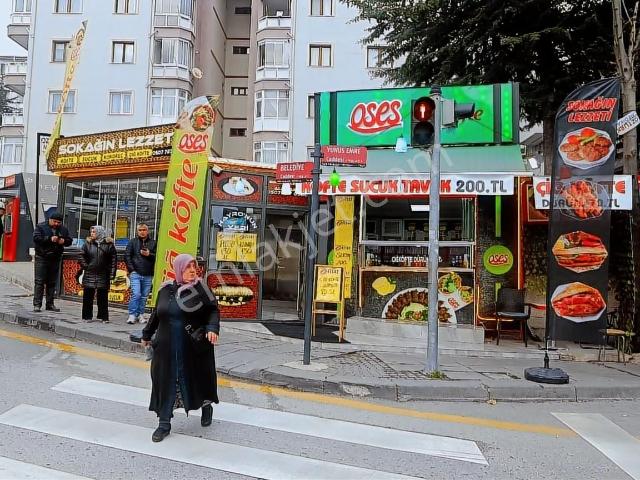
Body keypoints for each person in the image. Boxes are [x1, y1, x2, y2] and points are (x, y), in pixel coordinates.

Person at [141, 254, 220, 443]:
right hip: (165, 347)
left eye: (194, 267)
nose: (193, 270)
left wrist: (212, 328)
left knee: (198, 379)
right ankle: (164, 423)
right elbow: (157, 314)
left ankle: (206, 406)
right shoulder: (165, 289)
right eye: (188, 267)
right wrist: (147, 334)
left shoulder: (201, 289)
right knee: (165, 382)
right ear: (178, 270)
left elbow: (213, 310)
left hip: (193, 346)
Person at [32, 212, 72, 312]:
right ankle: (37, 304)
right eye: (54, 222)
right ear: (50, 219)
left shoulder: (63, 229)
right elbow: (36, 239)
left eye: (59, 222)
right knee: (39, 282)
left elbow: (69, 240)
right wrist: (49, 239)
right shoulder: (41, 227)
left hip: (55, 258)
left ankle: (50, 304)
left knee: (52, 282)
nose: (56, 224)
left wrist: (64, 241)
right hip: (42, 257)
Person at [80, 225, 117, 323]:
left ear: (100, 233)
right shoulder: (87, 244)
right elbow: (81, 256)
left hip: (103, 273)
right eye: (91, 232)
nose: (92, 234)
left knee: (102, 297)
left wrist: (112, 273)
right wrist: (86, 266)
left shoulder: (109, 245)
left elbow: (113, 260)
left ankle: (103, 316)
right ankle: (87, 316)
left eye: (94, 232)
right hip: (90, 273)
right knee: (88, 296)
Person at [125, 223, 157, 324]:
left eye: (144, 230)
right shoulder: (132, 242)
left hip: (148, 273)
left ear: (147, 231)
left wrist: (149, 254)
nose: (142, 232)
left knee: (144, 296)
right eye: (140, 230)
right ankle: (132, 314)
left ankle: (140, 314)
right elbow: (127, 256)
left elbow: (158, 256)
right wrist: (131, 270)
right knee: (136, 294)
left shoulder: (153, 243)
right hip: (136, 273)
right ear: (137, 231)